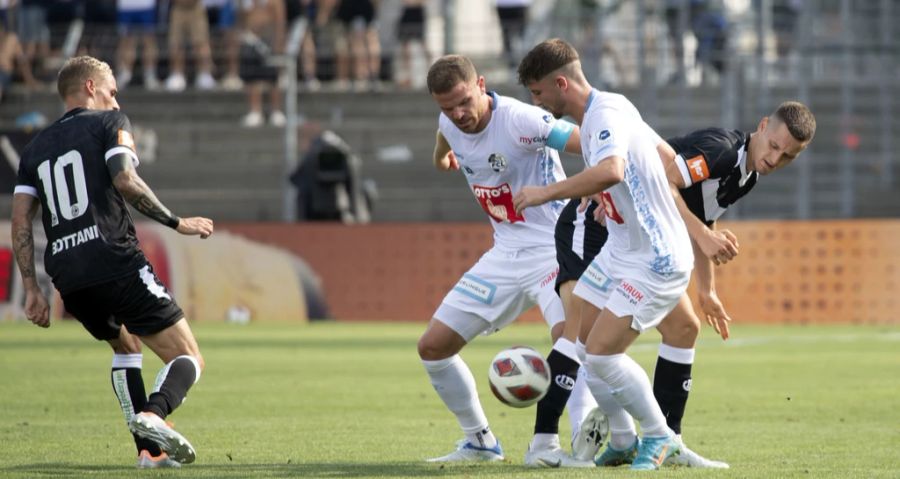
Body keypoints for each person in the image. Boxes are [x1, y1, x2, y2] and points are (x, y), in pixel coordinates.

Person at [548, 101, 816, 468]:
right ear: (764, 125)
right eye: (774, 145)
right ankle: (633, 436)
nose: (775, 158)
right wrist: (611, 192)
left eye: (788, 156)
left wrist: (707, 291)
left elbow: (705, 219)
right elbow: (666, 180)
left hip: (639, 238)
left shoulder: (747, 173)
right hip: (604, 227)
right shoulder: (720, 151)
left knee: (681, 328)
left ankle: (657, 439)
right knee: (589, 345)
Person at [11, 55, 214, 468]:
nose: (116, 100)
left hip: (68, 273)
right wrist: (177, 222)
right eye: (111, 91)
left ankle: (149, 453)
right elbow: (125, 180)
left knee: (125, 347)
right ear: (90, 86)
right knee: (187, 356)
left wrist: (32, 288)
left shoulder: (33, 148)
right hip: (113, 258)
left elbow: (20, 221)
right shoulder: (110, 124)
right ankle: (154, 415)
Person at [513, 38, 696, 470]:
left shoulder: (604, 115)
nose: (537, 103)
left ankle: (658, 436)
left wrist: (547, 192)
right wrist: (617, 197)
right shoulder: (613, 107)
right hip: (620, 250)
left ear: (561, 83)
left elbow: (612, 168)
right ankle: (621, 437)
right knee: (580, 345)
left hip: (656, 258)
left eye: (538, 93)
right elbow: (667, 158)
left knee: (602, 355)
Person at [418, 54, 602, 467]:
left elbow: (586, 142)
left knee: (570, 339)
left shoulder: (521, 120)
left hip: (553, 248)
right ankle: (480, 442)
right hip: (503, 253)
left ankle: (578, 443)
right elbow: (445, 141)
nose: (458, 114)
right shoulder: (449, 121)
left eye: (464, 101)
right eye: (446, 107)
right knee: (433, 347)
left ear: (481, 84)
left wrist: (595, 186)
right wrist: (441, 157)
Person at [238, 0, 286, 127]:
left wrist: (279, 42)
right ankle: (255, 110)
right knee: (252, 77)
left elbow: (280, 21)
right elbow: (242, 17)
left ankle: (276, 110)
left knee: (273, 77)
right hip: (251, 39)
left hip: (269, 40)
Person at [165, 0, 217, 91]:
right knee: (176, 43)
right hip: (178, 9)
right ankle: (177, 74)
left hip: (196, 8)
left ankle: (204, 74)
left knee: (201, 43)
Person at [115, 0, 160, 89]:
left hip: (146, 6)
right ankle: (124, 73)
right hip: (125, 6)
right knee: (125, 41)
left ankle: (150, 74)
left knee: (148, 39)